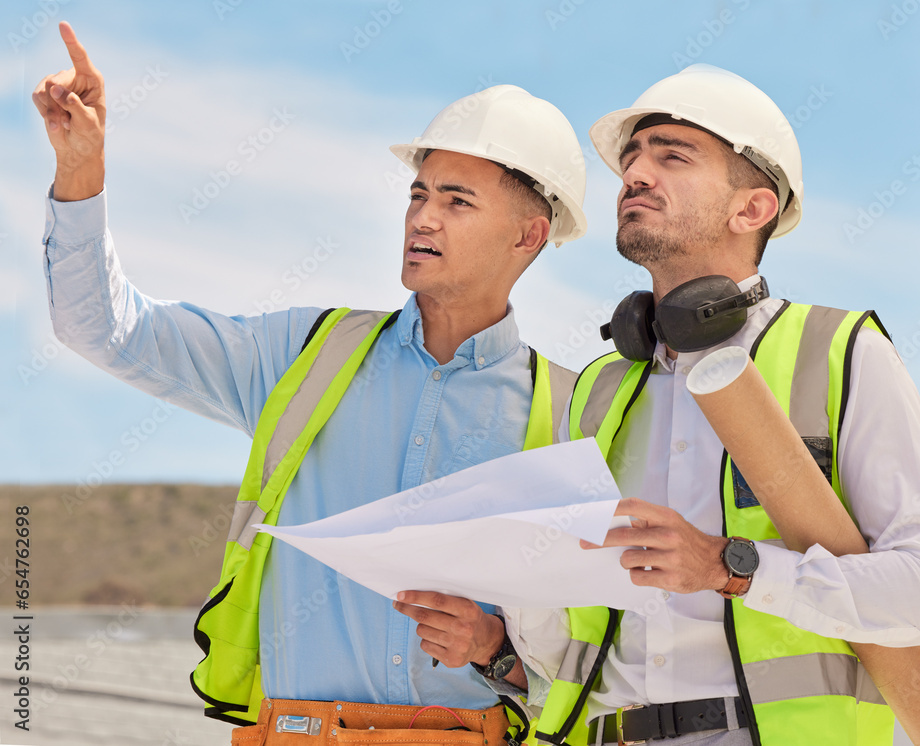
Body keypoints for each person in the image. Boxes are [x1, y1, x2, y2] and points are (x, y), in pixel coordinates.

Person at [33, 21, 587, 744]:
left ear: (528, 236)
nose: (422, 217)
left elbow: (604, 652)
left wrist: (497, 651)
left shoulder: (574, 412)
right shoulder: (303, 356)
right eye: (418, 195)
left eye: (457, 201)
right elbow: (104, 329)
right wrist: (81, 174)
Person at [471, 65, 920, 745]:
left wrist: (730, 568)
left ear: (752, 209)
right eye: (632, 159)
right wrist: (496, 646)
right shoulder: (599, 389)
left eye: (672, 156)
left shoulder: (841, 353)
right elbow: (573, 652)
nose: (636, 174)